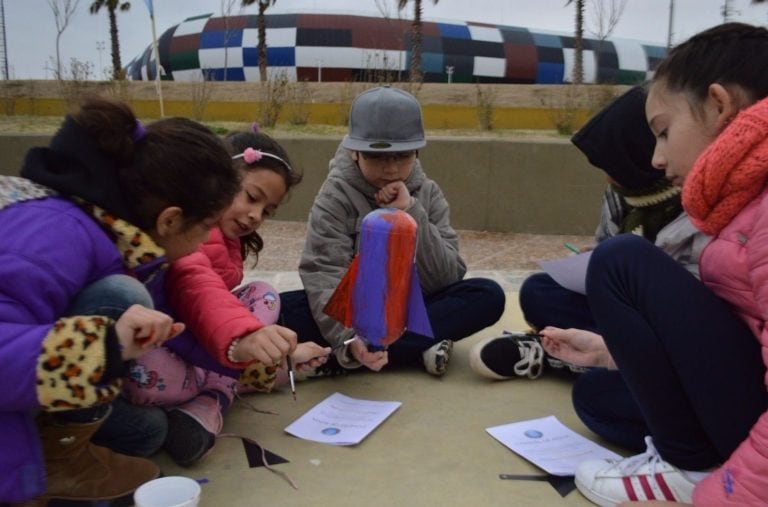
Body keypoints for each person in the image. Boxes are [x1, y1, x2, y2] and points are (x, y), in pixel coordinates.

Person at [540, 22, 768, 506]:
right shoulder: (739, 201)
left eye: (663, 134)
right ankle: (687, 459)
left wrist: (724, 493)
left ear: (719, 105)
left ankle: (689, 466)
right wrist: (610, 353)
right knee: (597, 397)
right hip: (743, 402)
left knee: (620, 262)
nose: (658, 159)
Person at [0, 98, 240, 503]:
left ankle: (62, 455)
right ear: (170, 219)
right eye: (205, 228)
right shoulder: (53, 236)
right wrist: (103, 347)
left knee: (145, 431)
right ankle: (52, 464)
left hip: (26, 388)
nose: (205, 242)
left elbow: (175, 322)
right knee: (121, 298)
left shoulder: (123, 240)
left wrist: (244, 358)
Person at [469, 85, 709, 381]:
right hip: (616, 310)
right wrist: (597, 259)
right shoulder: (622, 195)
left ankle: (564, 354)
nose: (608, 177)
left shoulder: (698, 205)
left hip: (666, 326)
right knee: (538, 291)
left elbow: (699, 302)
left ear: (638, 157)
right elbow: (606, 247)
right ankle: (583, 352)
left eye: (613, 165)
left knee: (597, 399)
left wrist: (635, 269)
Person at [124, 129, 330, 467]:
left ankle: (220, 388)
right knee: (151, 376)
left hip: (206, 341)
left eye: (267, 210)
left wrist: (248, 342)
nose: (255, 215)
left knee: (264, 294)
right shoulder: (189, 233)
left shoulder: (227, 241)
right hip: (171, 344)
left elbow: (217, 305)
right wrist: (246, 345)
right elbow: (197, 292)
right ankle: (217, 395)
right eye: (250, 196)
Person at [280, 86, 505, 376]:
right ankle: (402, 348)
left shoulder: (428, 192)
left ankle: (353, 357)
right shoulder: (335, 195)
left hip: (414, 306)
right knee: (286, 309)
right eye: (377, 157)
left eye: (402, 156)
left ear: (417, 152)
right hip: (359, 312)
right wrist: (349, 336)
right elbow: (323, 270)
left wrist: (410, 211)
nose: (391, 168)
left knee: (487, 294)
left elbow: (446, 277)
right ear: (354, 153)